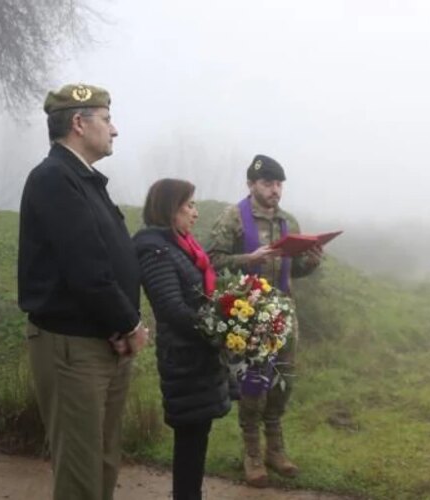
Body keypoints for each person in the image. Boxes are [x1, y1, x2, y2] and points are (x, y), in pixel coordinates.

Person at [18, 83, 150, 500]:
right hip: (72, 348)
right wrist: (128, 323)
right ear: (79, 122)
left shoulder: (85, 180)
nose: (115, 130)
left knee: (104, 463)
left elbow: (106, 260)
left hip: (102, 341)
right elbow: (86, 268)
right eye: (107, 119)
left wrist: (119, 326)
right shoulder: (54, 179)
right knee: (80, 473)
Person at [207, 154, 322, 487]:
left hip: (285, 311)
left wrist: (311, 262)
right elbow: (212, 262)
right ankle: (252, 453)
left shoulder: (288, 222)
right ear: (251, 185)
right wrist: (249, 258)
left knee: (283, 381)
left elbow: (294, 268)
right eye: (268, 183)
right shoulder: (233, 219)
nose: (275, 190)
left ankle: (276, 448)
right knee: (254, 383)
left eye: (279, 184)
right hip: (249, 314)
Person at [132, 179, 232, 500]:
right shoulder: (156, 250)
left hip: (199, 357)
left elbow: (198, 296)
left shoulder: (182, 247)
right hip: (185, 361)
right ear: (169, 209)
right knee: (190, 442)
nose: (196, 213)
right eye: (189, 205)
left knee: (197, 439)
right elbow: (172, 309)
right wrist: (220, 327)